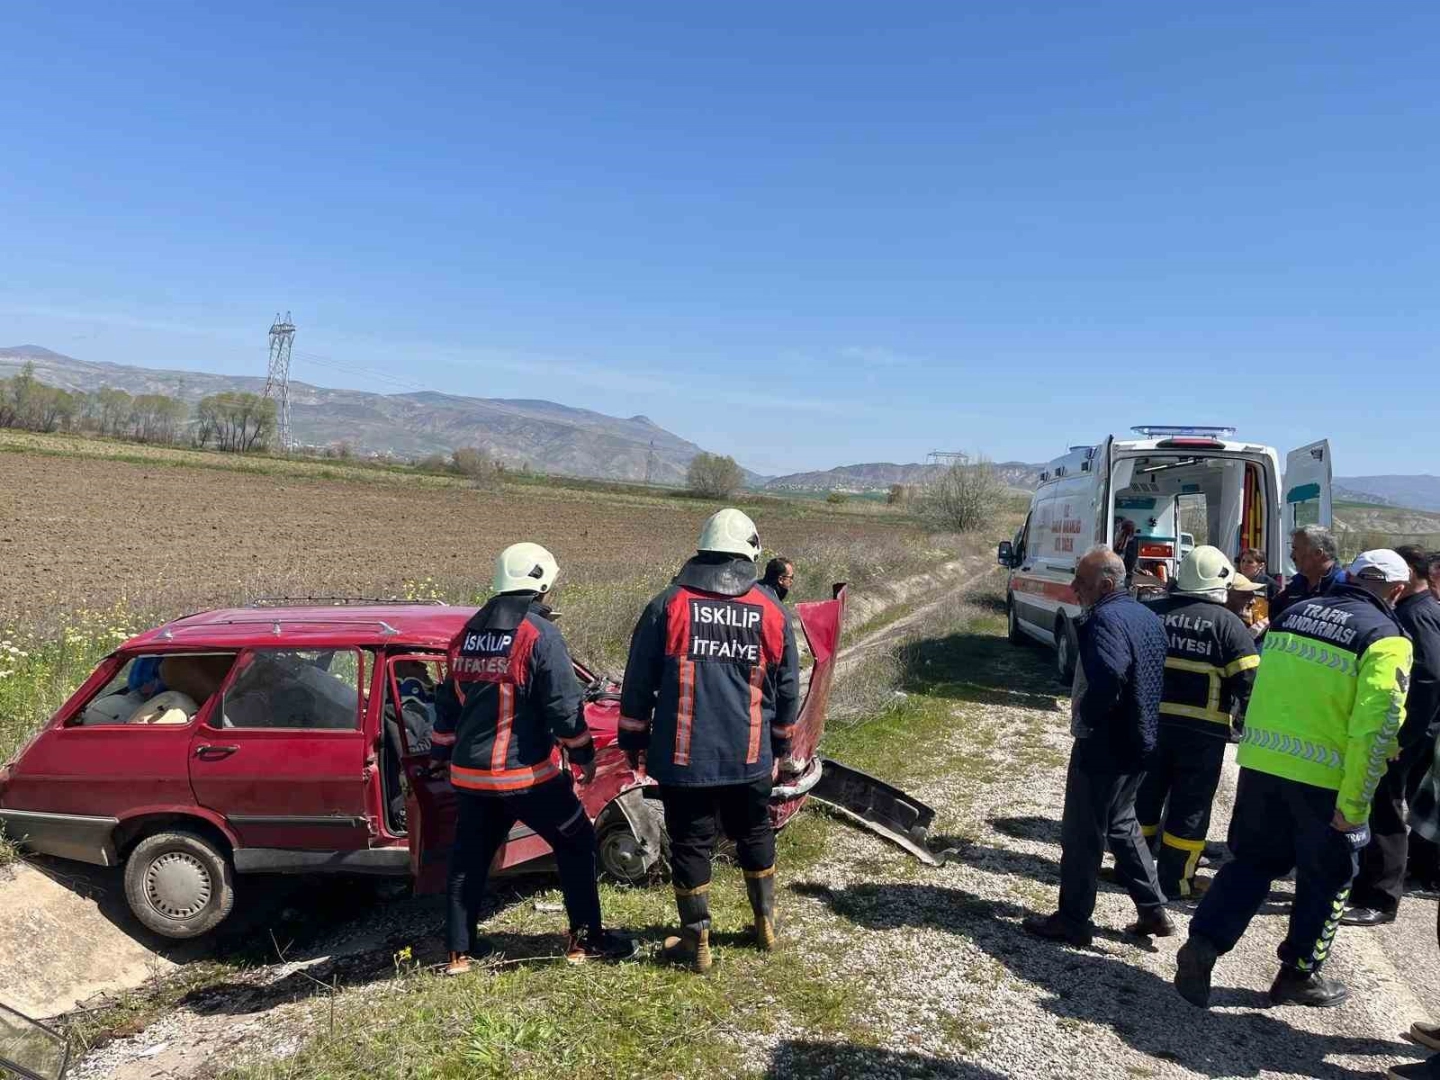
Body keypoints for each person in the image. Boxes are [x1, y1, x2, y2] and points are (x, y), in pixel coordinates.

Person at [1174, 549, 1414, 1009]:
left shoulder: (1293, 614)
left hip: (1264, 764)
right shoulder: (1386, 638)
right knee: (1330, 877)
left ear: (1351, 576)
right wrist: (1355, 805)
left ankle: (1203, 944)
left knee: (1250, 863)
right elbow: (1376, 727)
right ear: (1397, 591)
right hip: (1326, 778)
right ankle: (1300, 973)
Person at [431, 542, 636, 974]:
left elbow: (448, 705)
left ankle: (459, 953)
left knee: (468, 859)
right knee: (576, 842)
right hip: (525, 777)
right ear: (541, 585)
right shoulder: (537, 635)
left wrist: (439, 754)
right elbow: (563, 708)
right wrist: (583, 755)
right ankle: (585, 942)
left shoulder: (465, 634)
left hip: (469, 778)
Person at [619, 508, 800, 973]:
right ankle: (765, 923)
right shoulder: (772, 611)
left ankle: (696, 941)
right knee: (755, 831)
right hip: (751, 754)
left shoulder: (668, 605)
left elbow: (638, 682)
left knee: (691, 843)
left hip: (685, 759)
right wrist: (781, 749)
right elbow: (786, 688)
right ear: (750, 554)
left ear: (702, 549)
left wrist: (632, 739)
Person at [1022, 546, 1173, 946]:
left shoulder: (1105, 619)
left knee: (1082, 833)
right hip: (1140, 738)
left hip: (1105, 743)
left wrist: (1088, 715)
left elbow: (1109, 676)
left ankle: (1073, 921)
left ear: (1106, 585)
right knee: (1122, 823)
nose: (1074, 588)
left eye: (1082, 582)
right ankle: (1153, 909)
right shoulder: (1146, 615)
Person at [1135, 547, 1260, 900]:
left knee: (1143, 799)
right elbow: (1251, 684)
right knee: (1190, 808)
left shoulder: (1150, 613)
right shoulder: (1228, 625)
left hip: (1149, 727)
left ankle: (1132, 871)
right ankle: (1176, 881)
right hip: (1202, 736)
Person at [1343, 546, 1440, 925]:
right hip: (1402, 730)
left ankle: (1380, 898)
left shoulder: (1417, 614)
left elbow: (1429, 678)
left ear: (1409, 574)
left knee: (1385, 807)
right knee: (1377, 803)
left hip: (1404, 734)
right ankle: (1365, 884)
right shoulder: (1411, 609)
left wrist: (1404, 736)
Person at [1271, 526, 1347, 618]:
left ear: (1318, 553)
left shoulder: (1345, 587)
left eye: (1296, 549)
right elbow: (1275, 616)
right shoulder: (1295, 584)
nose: (1292, 556)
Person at [1226, 573, 1270, 639]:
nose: (1253, 602)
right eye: (1245, 596)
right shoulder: (1220, 627)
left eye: (1253, 596)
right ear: (1226, 596)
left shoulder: (1246, 625)